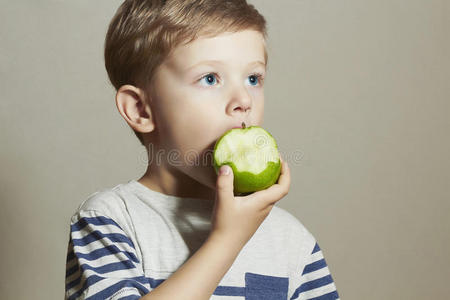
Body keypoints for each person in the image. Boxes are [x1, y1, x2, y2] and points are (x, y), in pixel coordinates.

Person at [65, 0, 340, 299]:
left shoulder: (292, 243)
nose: (243, 100)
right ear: (141, 109)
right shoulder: (108, 221)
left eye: (253, 79)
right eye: (210, 78)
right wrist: (226, 241)